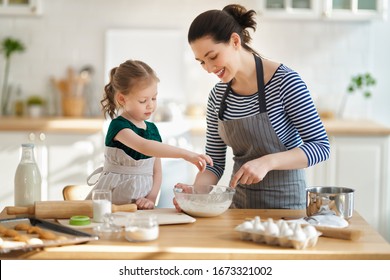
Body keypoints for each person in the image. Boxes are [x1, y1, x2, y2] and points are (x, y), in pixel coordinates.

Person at [174, 4, 330, 209]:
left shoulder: (285, 82)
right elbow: (214, 164)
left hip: (287, 209)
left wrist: (267, 162)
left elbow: (320, 147)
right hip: (239, 207)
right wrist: (195, 194)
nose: (209, 69)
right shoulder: (217, 96)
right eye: (201, 62)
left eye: (212, 57)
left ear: (235, 41)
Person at [86, 59, 213, 209]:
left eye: (154, 98)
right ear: (122, 98)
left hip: (139, 207)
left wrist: (151, 199)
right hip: (111, 203)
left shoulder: (152, 129)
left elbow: (157, 171)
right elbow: (144, 146)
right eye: (143, 100)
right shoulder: (119, 126)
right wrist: (186, 154)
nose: (151, 105)